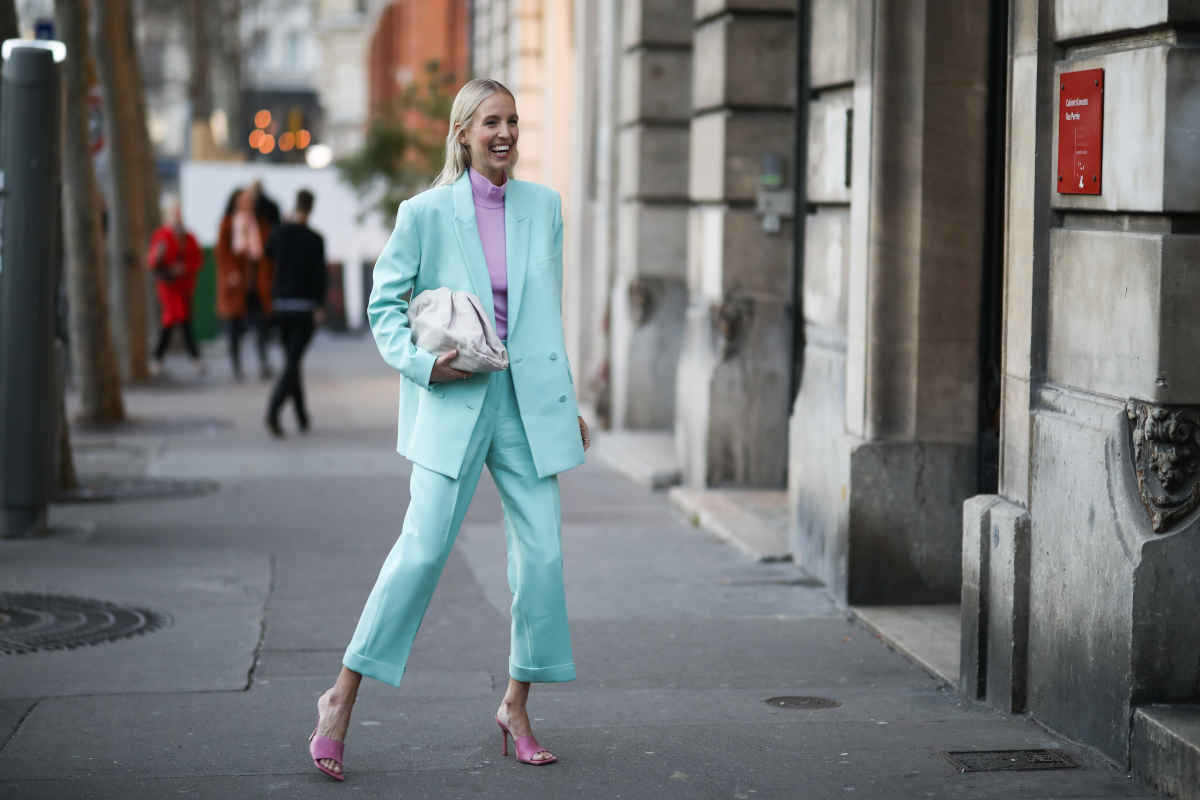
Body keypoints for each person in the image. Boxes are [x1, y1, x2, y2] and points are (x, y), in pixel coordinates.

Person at [306, 78, 592, 782]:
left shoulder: (544, 208)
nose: (505, 134)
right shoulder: (425, 213)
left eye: (513, 122)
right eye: (491, 122)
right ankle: (339, 699)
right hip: (456, 398)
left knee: (543, 559)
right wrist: (421, 367)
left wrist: (566, 401)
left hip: (527, 406)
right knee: (422, 552)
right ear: (463, 133)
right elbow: (385, 307)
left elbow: (544, 317)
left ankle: (516, 706)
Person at [264, 189, 326, 437]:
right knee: (292, 362)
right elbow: (320, 276)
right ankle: (273, 410)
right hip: (305, 308)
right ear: (311, 209)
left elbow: (267, 252)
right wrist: (320, 306)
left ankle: (302, 416)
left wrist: (283, 224)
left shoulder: (280, 233)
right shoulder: (315, 239)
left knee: (292, 361)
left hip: (281, 306)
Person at [215, 186, 275, 380]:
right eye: (244, 200)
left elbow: (267, 252)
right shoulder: (228, 223)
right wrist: (231, 273)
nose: (247, 204)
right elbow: (222, 253)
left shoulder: (260, 223)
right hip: (236, 284)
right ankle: (236, 365)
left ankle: (263, 362)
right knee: (234, 327)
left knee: (261, 325)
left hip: (257, 282)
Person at [147, 196, 205, 378]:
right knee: (172, 320)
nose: (177, 218)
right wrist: (164, 260)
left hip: (184, 286)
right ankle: (162, 358)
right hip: (169, 285)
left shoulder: (189, 237)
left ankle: (165, 358)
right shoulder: (161, 237)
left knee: (182, 321)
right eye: (174, 214)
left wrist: (185, 268)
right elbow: (152, 261)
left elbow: (197, 259)